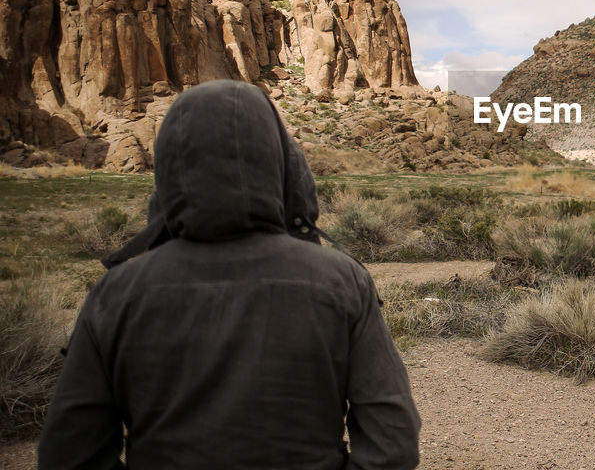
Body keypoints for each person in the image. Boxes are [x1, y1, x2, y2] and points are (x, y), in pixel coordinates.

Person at [37, 80, 421, 469]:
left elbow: (68, 453)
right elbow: (393, 442)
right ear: (281, 165)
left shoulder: (116, 293)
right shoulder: (340, 281)